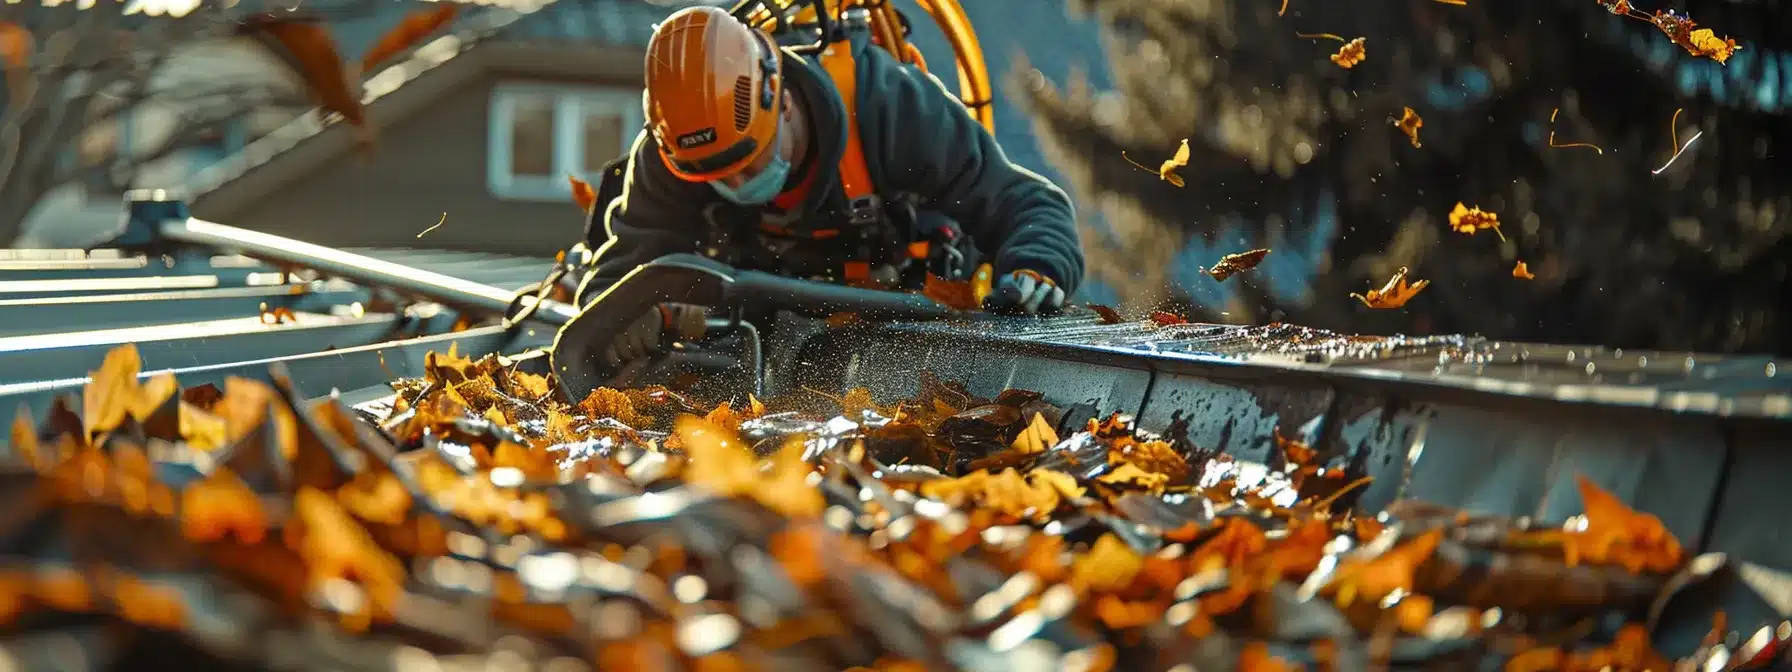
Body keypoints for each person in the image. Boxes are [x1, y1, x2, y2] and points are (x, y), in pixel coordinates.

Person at [578, 5, 1084, 367]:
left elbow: (1027, 205)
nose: (735, 183)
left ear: (783, 102)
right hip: (754, 334)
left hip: (904, 326)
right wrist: (621, 324)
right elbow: (619, 273)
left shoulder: (889, 107)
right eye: (717, 178)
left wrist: (1038, 268)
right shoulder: (676, 153)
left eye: (748, 164)